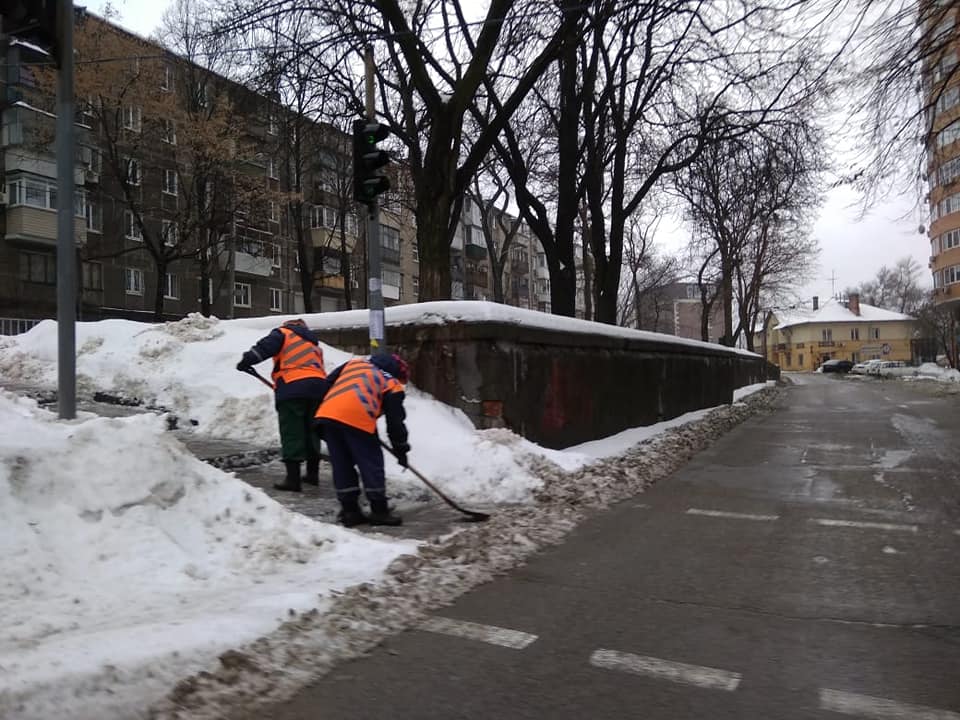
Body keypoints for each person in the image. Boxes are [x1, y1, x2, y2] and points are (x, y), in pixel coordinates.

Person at [314, 352, 410, 527]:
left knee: (342, 464)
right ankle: (379, 510)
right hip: (356, 419)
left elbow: (326, 385)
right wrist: (401, 448)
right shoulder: (392, 383)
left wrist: (327, 409)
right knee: (371, 463)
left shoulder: (353, 365)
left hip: (327, 417)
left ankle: (350, 511)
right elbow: (395, 423)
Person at [237, 318, 328, 492]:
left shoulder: (283, 333)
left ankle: (293, 480)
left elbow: (263, 349)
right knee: (312, 431)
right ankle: (312, 474)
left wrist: (246, 361)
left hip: (293, 387)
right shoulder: (314, 343)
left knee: (292, 431)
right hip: (318, 388)